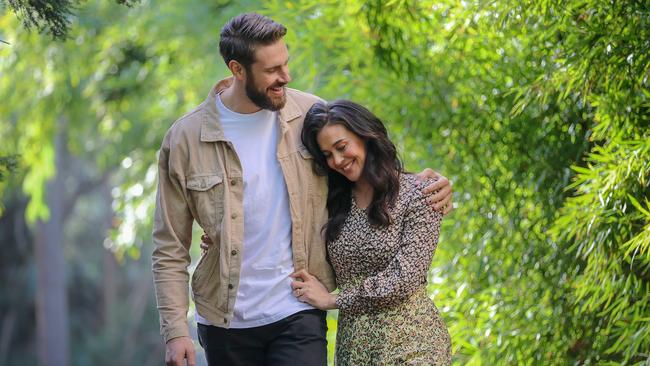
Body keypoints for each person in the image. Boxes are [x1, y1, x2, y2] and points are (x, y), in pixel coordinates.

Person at [152, 13, 453, 366]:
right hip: (225, 319)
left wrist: (422, 183)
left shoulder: (308, 112)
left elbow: (358, 165)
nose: (286, 76)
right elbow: (170, 245)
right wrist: (175, 330)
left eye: (286, 63)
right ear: (237, 69)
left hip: (298, 310)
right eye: (272, 70)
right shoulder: (186, 139)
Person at [290, 100, 452, 365]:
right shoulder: (331, 204)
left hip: (412, 343)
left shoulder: (419, 194)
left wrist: (333, 300)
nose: (337, 161)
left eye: (342, 147)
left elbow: (405, 278)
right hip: (354, 347)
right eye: (328, 155)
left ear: (366, 136)